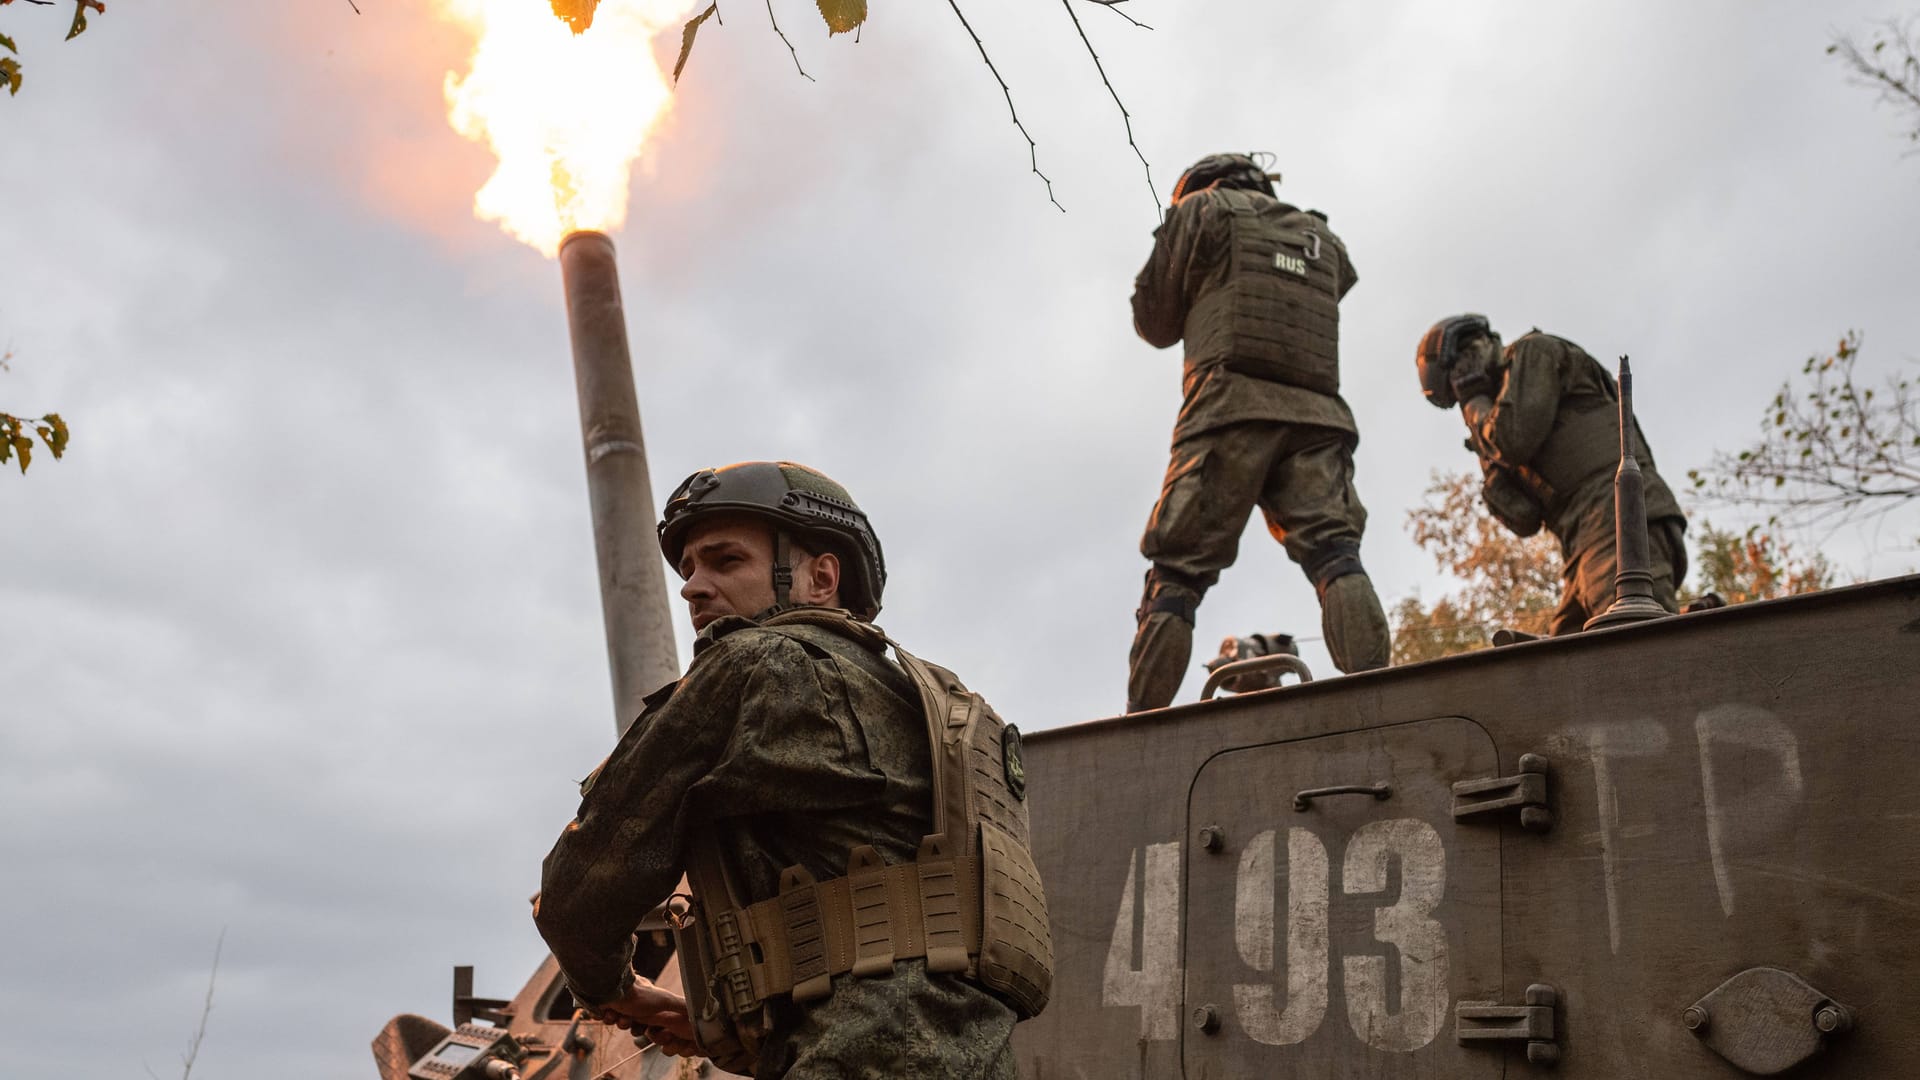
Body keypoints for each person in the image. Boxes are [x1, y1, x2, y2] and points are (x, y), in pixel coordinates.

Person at [532, 461, 1049, 1079]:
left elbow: (580, 894)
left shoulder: (755, 668)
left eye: (726, 562)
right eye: (689, 569)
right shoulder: (945, 709)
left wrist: (617, 990)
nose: (693, 587)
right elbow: (893, 957)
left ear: (820, 576)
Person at [1126, 152, 1391, 712]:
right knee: (1336, 556)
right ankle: (1383, 700)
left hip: (1226, 408)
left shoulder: (1201, 211)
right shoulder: (1324, 238)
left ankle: (1142, 724)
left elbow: (1153, 322)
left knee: (1177, 572)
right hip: (1319, 419)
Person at [1415, 315, 1688, 633]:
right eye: (1455, 388)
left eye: (1461, 369)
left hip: (1615, 515)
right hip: (1582, 542)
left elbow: (1514, 438)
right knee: (1558, 662)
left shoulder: (1534, 354)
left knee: (1638, 644)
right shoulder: (1496, 412)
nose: (1462, 382)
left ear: (1479, 343)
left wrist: (1476, 406)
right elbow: (1524, 517)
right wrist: (1488, 460)